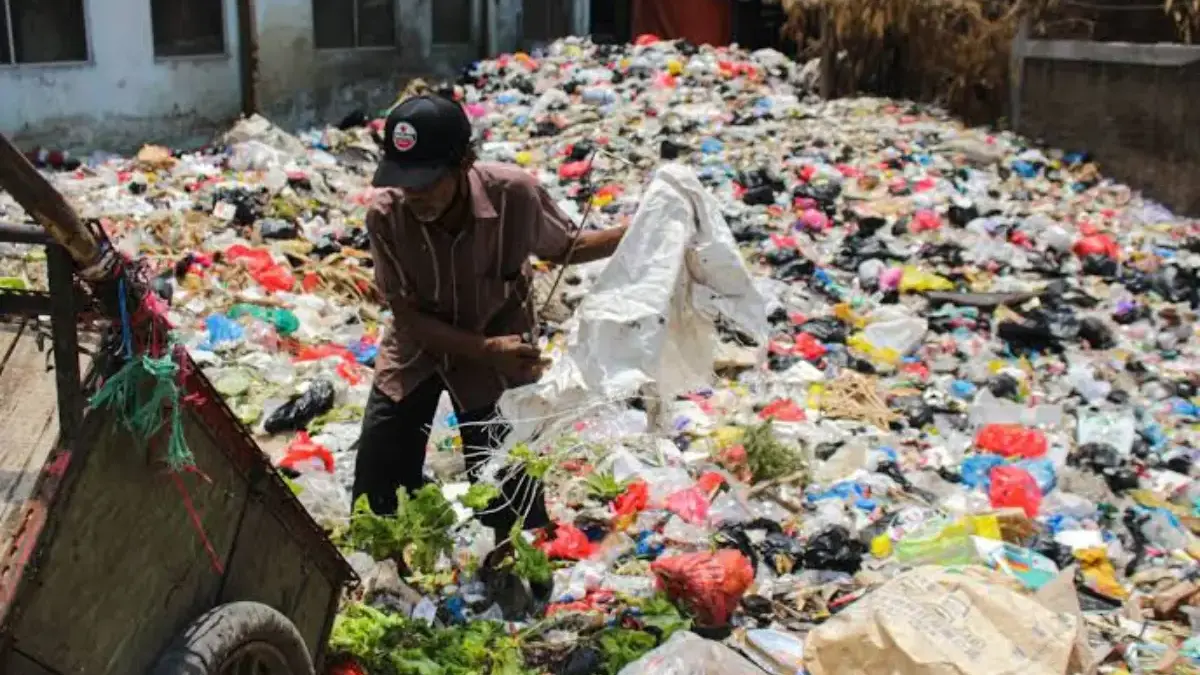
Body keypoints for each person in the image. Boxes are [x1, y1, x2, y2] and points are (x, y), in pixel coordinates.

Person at [353, 94, 627, 549]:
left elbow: (565, 249)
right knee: (381, 466)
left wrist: (636, 232)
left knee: (508, 470)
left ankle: (508, 559)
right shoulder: (386, 214)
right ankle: (385, 567)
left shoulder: (514, 194)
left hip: (497, 342)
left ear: (464, 162)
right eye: (404, 182)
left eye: (427, 181)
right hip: (419, 347)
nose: (414, 195)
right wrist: (483, 349)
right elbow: (405, 313)